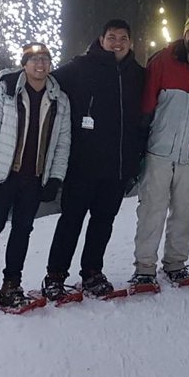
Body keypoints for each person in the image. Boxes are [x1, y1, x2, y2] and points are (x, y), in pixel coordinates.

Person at [0, 42, 71, 315]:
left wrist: (54, 178)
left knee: (22, 232)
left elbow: (62, 144)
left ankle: (12, 286)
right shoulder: (6, 91)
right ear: (24, 64)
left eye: (45, 59)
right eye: (34, 60)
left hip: (33, 179)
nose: (40, 65)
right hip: (3, 177)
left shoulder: (59, 99)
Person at [43, 19, 146, 300]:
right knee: (71, 220)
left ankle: (91, 272)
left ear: (131, 42)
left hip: (117, 167)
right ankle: (55, 275)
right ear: (101, 40)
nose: (117, 43)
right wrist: (13, 79)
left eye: (123, 38)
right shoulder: (80, 68)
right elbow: (45, 80)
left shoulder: (137, 75)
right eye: (111, 37)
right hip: (82, 165)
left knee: (103, 222)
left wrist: (135, 162)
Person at [130, 11, 189, 289]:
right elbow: (147, 105)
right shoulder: (163, 61)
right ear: (185, 34)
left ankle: (175, 263)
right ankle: (145, 267)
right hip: (160, 151)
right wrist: (142, 142)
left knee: (184, 211)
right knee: (152, 209)